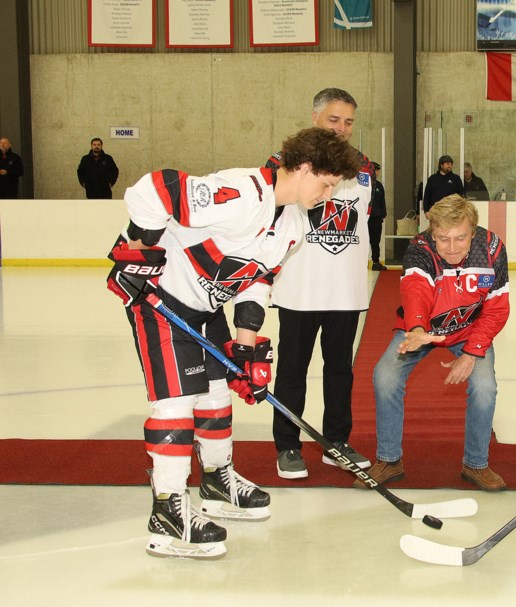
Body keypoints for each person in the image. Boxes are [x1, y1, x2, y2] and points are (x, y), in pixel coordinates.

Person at [106, 127, 359, 559]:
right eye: (327, 182)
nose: (328, 193)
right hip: (161, 300)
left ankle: (216, 482)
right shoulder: (243, 194)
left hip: (207, 309)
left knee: (218, 393)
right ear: (303, 168)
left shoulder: (294, 222)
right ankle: (166, 511)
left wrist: (245, 348)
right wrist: (139, 248)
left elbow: (256, 280)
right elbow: (155, 189)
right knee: (176, 404)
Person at [356, 194, 510, 491]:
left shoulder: (492, 250)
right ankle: (389, 459)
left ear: (473, 231)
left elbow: (496, 308)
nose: (451, 247)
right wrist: (416, 329)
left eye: (459, 238)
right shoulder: (419, 248)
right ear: (432, 232)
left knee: (484, 387)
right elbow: (415, 289)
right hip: (421, 330)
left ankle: (476, 464)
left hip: (469, 331)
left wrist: (471, 353)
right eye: (443, 239)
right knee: (385, 376)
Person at [267, 88, 376, 480]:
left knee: (339, 371)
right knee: (292, 371)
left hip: (344, 291)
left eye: (348, 121)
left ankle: (336, 442)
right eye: (334, 120)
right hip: (299, 289)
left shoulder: (365, 166)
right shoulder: (284, 163)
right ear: (315, 118)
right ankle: (288, 445)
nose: (342, 128)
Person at [369, 162, 388, 270]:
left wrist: (383, 214)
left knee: (375, 241)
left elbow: (382, 201)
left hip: (376, 217)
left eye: (378, 170)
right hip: (365, 217)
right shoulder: (363, 184)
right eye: (376, 170)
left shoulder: (379, 185)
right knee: (362, 241)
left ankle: (376, 261)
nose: (377, 172)